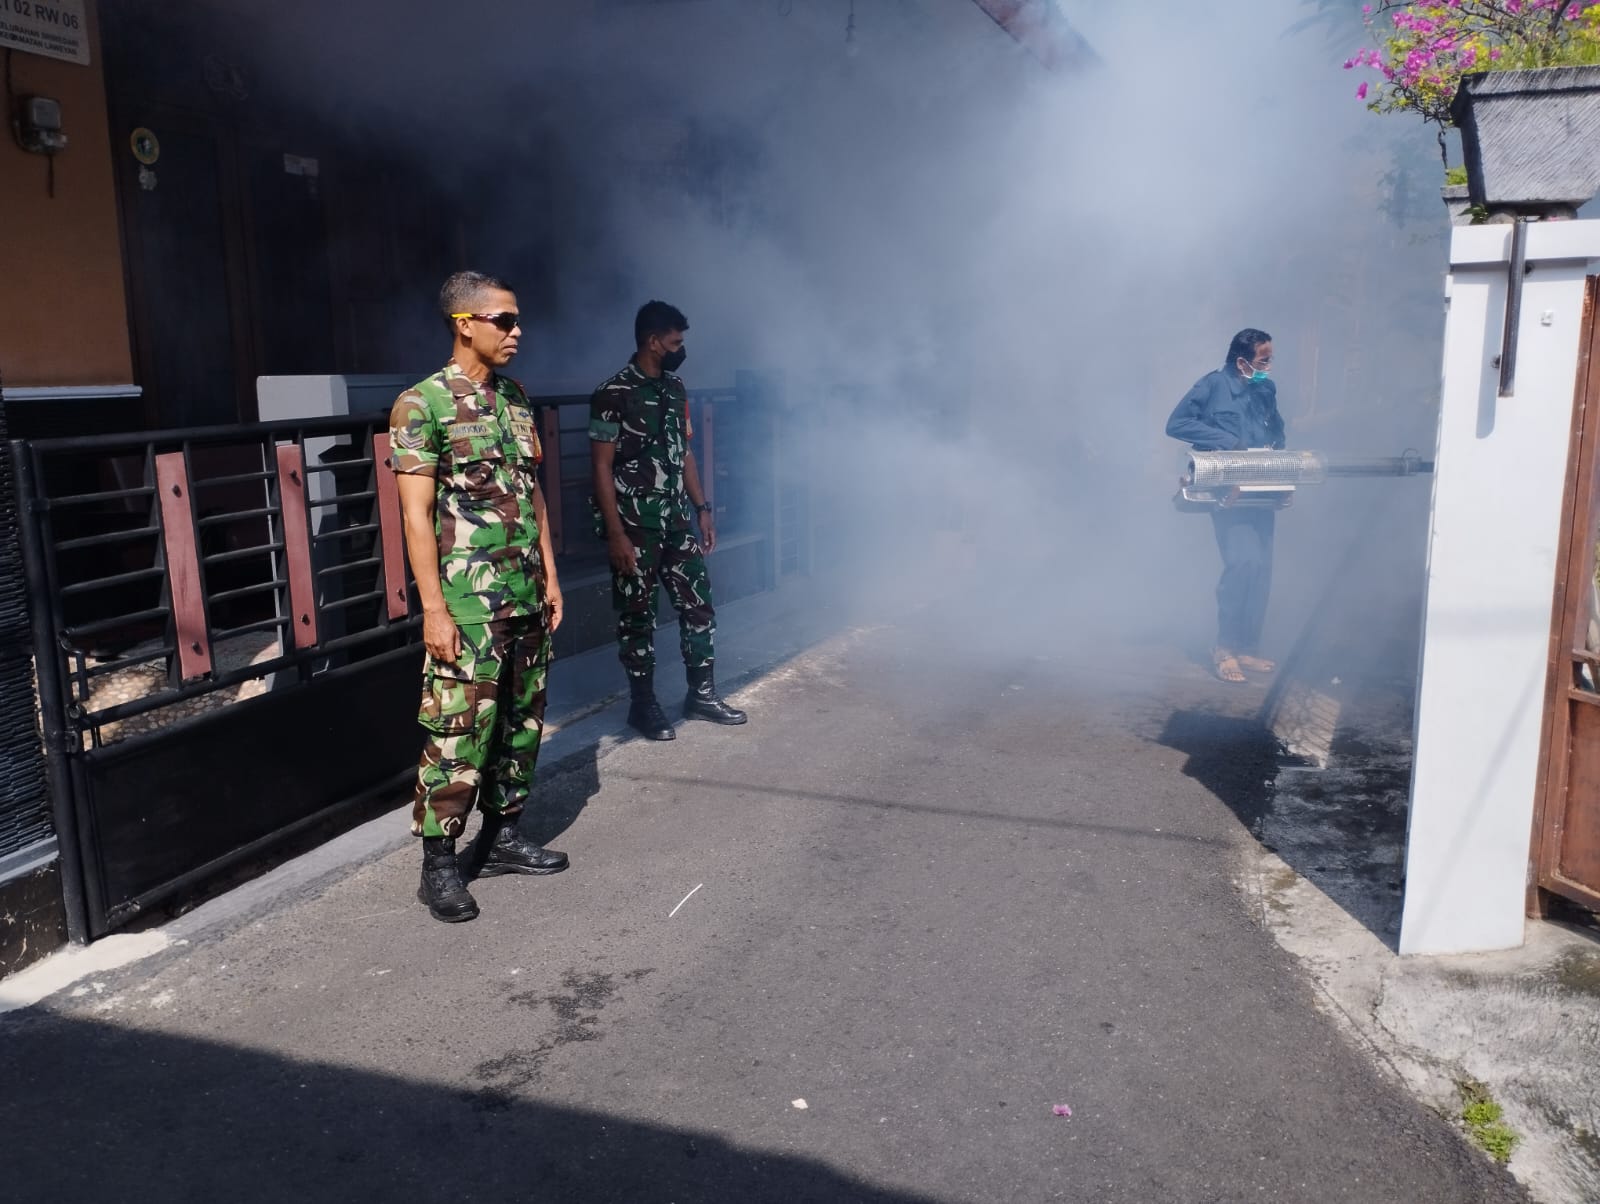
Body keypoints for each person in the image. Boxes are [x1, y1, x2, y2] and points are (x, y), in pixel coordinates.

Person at [389, 270, 568, 923]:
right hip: (468, 608)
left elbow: (533, 496)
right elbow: (415, 517)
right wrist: (433, 608)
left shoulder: (516, 400)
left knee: (522, 723)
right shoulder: (422, 405)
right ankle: (439, 862)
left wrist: (550, 576)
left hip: (525, 595)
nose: (517, 332)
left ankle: (503, 837)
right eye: (504, 320)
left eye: (517, 320)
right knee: (458, 732)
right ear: (465, 323)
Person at [589, 300, 747, 739]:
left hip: (677, 521)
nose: (681, 348)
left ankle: (702, 694)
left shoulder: (676, 389)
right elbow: (601, 466)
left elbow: (685, 454)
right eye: (676, 341)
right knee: (637, 617)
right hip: (635, 525)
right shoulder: (612, 393)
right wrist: (616, 534)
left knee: (699, 606)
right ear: (654, 341)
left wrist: (703, 509)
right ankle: (643, 706)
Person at [1165, 327, 1287, 684]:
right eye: (1263, 360)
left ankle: (1247, 646)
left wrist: (1285, 483)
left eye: (1269, 360)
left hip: (1262, 488)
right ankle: (1224, 648)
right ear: (1241, 361)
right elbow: (1177, 424)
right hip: (1228, 491)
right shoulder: (1212, 386)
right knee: (1243, 562)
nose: (1268, 367)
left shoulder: (1266, 389)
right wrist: (1228, 441)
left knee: (1261, 568)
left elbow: (1278, 436)